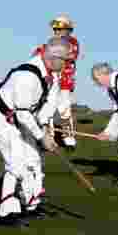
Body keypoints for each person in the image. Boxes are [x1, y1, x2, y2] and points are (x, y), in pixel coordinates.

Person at [0, 36, 69, 227]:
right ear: (54, 56)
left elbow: (47, 104)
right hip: (1, 119)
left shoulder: (51, 75)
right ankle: (6, 214)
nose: (68, 65)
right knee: (16, 163)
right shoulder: (27, 76)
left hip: (21, 119)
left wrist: (45, 130)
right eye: (66, 61)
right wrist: (41, 137)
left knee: (33, 160)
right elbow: (22, 113)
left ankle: (30, 204)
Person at [34, 14, 81, 148]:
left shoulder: (72, 42)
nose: (56, 32)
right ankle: (49, 135)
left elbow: (71, 56)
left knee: (64, 107)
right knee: (49, 106)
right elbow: (41, 54)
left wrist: (54, 54)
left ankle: (68, 135)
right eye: (55, 30)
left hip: (65, 80)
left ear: (67, 30)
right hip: (52, 78)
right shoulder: (50, 42)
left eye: (59, 29)